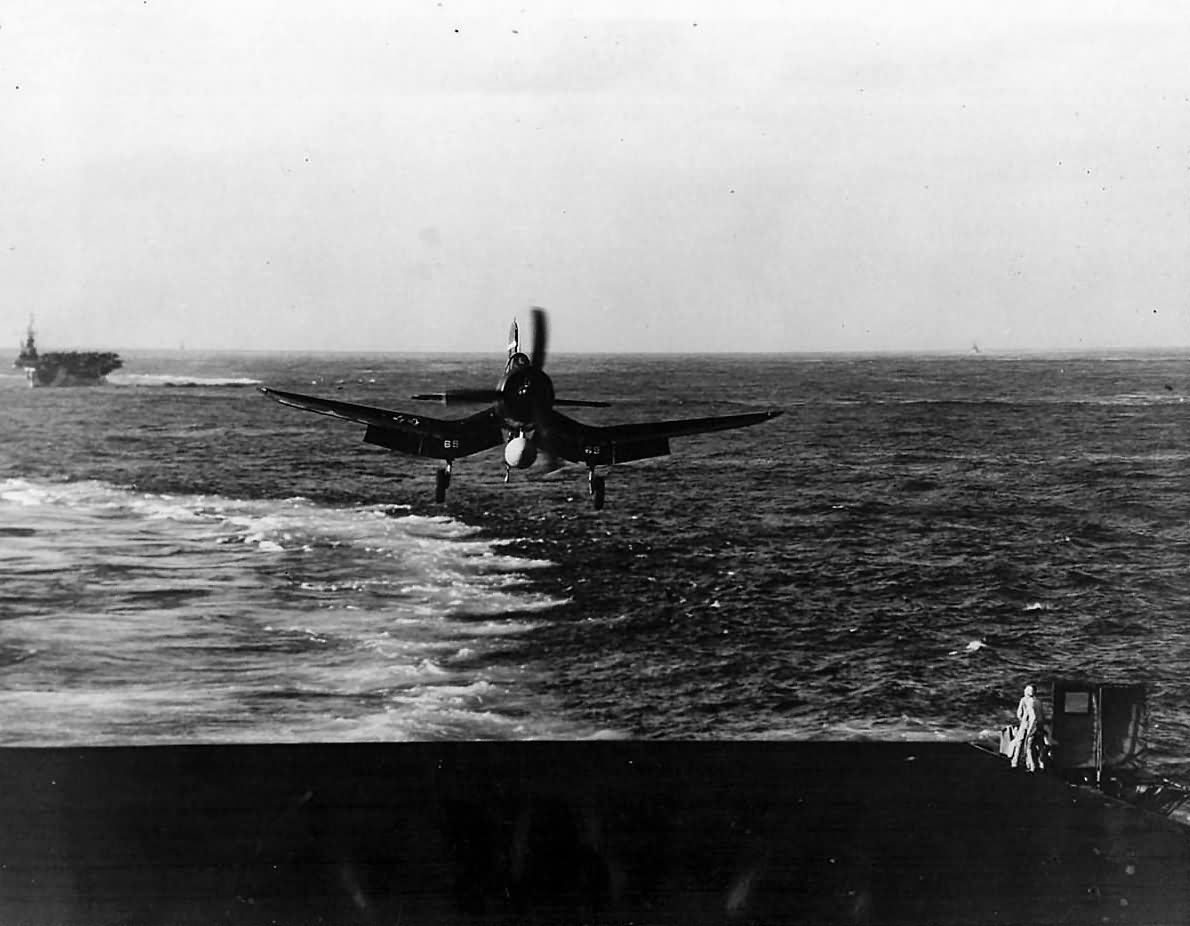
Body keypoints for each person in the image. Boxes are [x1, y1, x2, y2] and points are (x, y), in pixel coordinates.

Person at [1010, 684, 1046, 772]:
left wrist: (1025, 722)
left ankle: (1017, 763)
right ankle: (1041, 765)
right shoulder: (1038, 701)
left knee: (1021, 744)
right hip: (1038, 726)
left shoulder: (1025, 701)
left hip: (1028, 725)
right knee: (1039, 745)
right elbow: (1042, 716)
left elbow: (1019, 714)